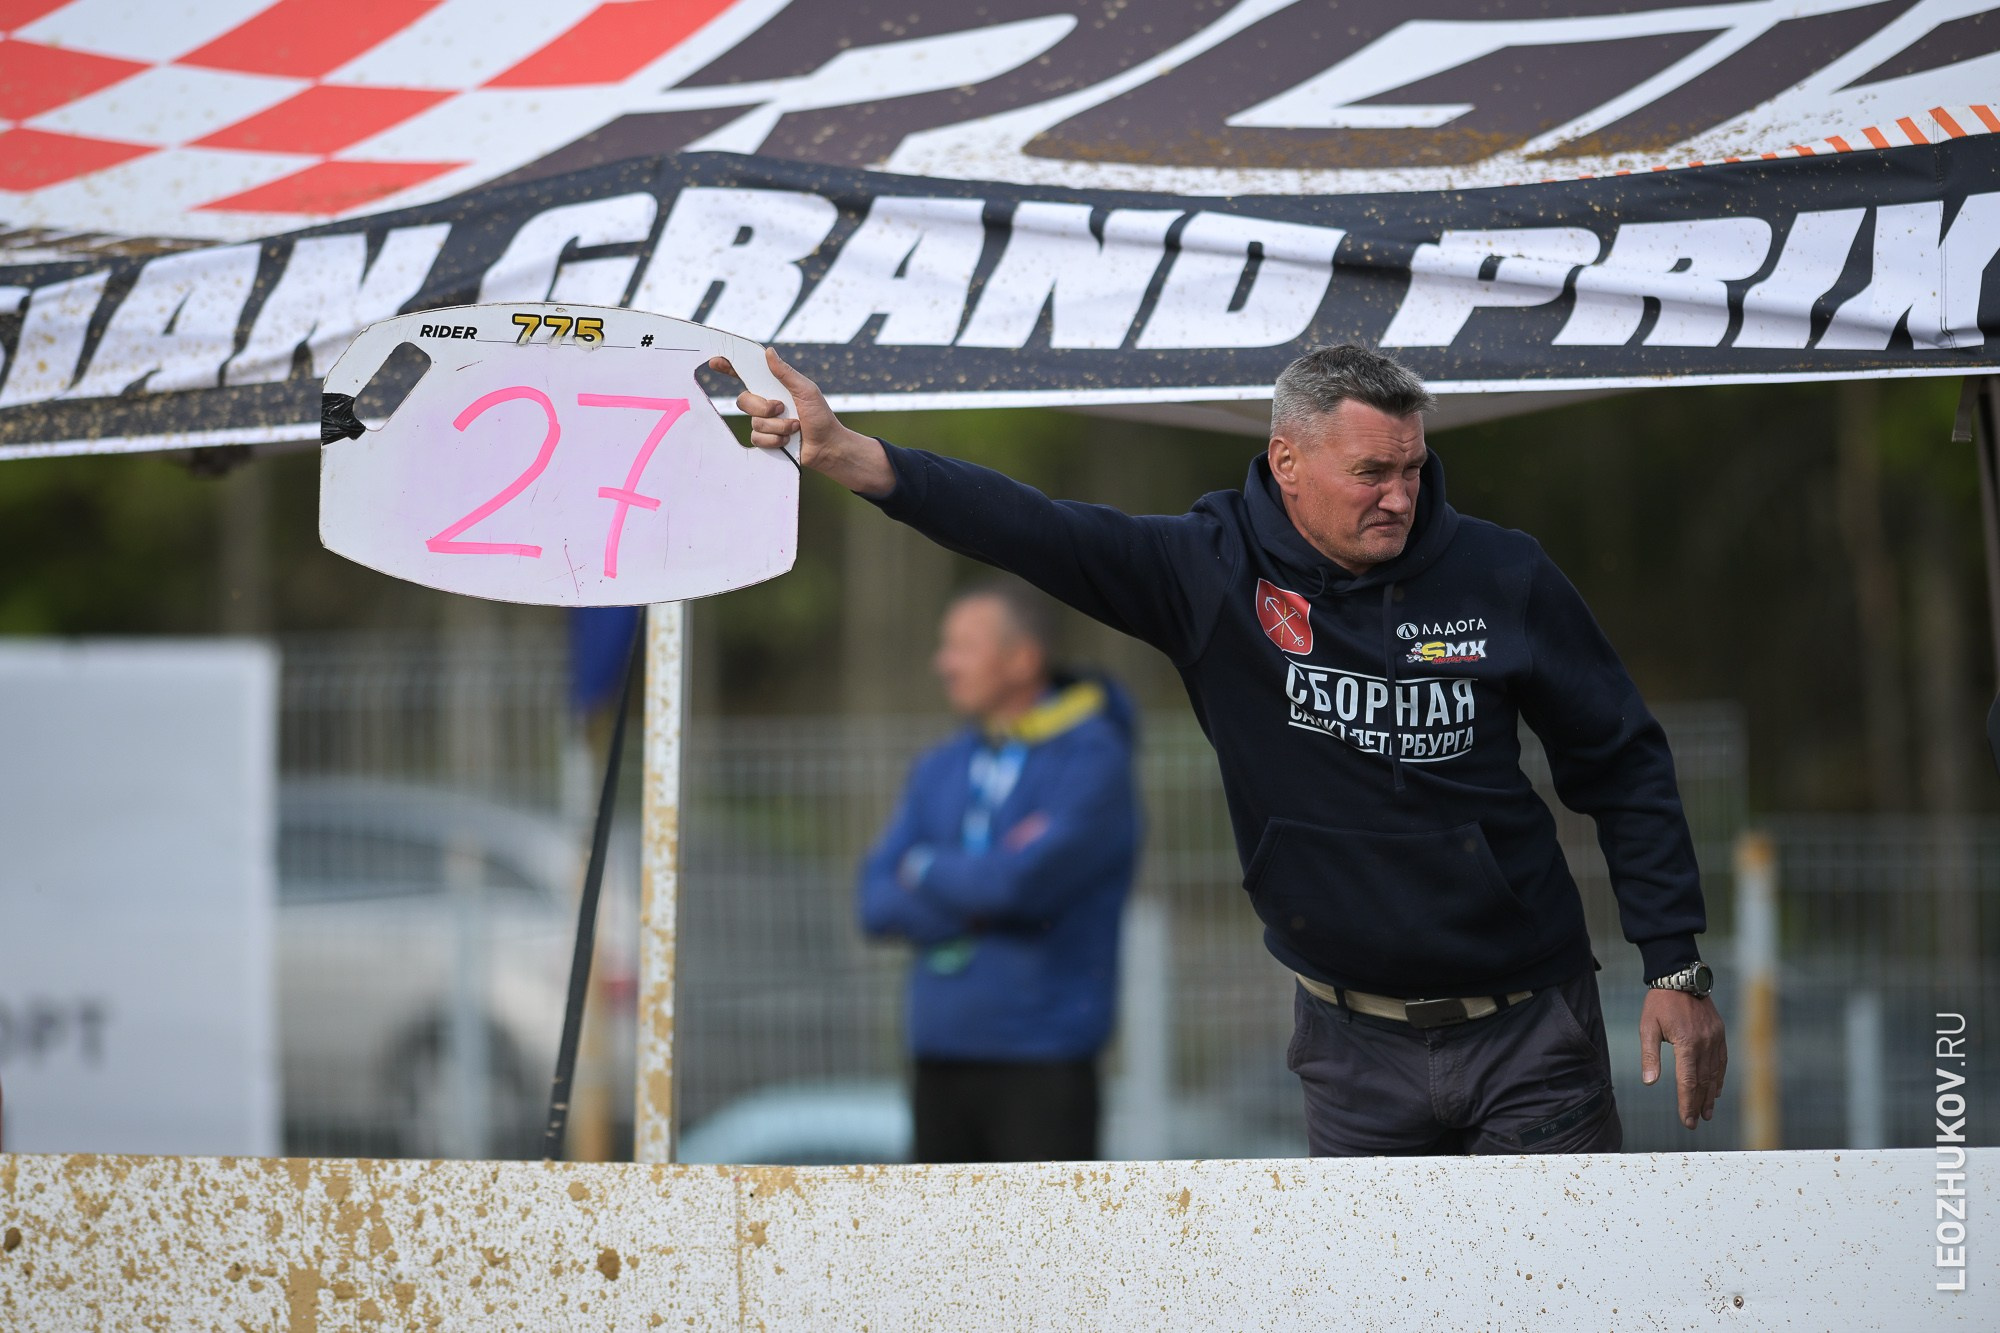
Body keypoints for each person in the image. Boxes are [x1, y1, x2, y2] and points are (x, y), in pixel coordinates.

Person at [713, 342, 1727, 1157]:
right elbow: (1035, 529)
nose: (1399, 496)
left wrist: (1672, 963)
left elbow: (1622, 759)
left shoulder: (1502, 574)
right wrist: (855, 459)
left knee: (1558, 1298)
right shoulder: (1206, 572)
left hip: (1526, 1030)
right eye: (1369, 471)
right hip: (1349, 1042)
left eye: (1411, 469)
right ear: (1286, 462)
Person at [857, 579, 1139, 1163]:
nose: (943, 664)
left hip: (1043, 1059)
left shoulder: (1093, 762)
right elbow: (875, 900)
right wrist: (981, 887)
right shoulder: (940, 766)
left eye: (961, 647)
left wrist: (927, 867)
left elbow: (1024, 885)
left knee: (1046, 1252)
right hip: (939, 1053)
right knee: (940, 1253)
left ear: (1022, 659)